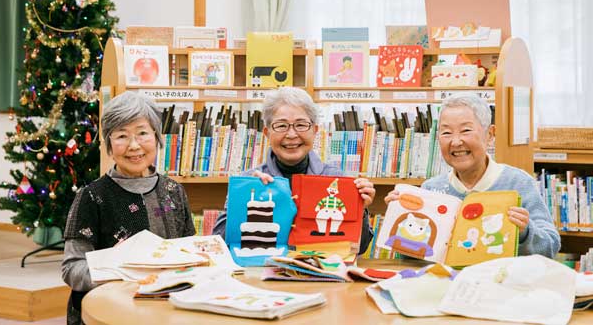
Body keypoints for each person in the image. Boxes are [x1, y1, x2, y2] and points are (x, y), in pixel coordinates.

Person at [61, 91, 195, 324]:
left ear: (157, 137)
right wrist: (118, 270)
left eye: (143, 133)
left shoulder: (174, 191)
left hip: (170, 309)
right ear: (109, 144)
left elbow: (189, 252)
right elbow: (72, 269)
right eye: (122, 136)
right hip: (112, 311)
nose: (134, 146)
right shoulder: (91, 196)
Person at [384, 94, 560, 258]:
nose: (456, 141)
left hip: (502, 285)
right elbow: (414, 258)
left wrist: (524, 233)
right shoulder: (431, 189)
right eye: (446, 132)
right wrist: (398, 217)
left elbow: (551, 246)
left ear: (490, 135)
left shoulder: (518, 183)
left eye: (466, 130)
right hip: (447, 286)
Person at [212, 87, 375, 253]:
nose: (291, 134)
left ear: (315, 131)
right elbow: (220, 242)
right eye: (281, 125)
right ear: (267, 133)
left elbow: (358, 249)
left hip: (319, 274)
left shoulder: (336, 179)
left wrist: (359, 208)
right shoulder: (248, 180)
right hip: (262, 272)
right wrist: (243, 198)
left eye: (301, 125)